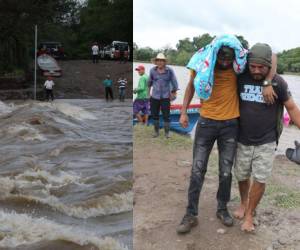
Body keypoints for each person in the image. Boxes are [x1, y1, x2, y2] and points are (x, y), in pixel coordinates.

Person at [177, 35, 277, 234]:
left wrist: (267, 82)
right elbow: (190, 86)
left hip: (230, 125)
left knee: (225, 172)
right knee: (197, 170)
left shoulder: (238, 66)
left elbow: (272, 56)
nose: (224, 62)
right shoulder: (203, 66)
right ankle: (190, 214)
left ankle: (222, 209)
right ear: (215, 55)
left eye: (227, 59)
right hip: (205, 122)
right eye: (221, 59)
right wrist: (183, 111)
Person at [233, 43, 300, 232]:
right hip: (242, 138)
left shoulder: (278, 82)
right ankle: (243, 203)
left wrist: (268, 82)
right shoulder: (240, 77)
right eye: (252, 66)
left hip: (266, 141)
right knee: (242, 175)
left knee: (260, 179)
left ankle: (250, 214)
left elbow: (292, 108)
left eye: (261, 67)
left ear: (268, 66)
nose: (255, 70)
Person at [148, 53, 178, 138]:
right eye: (158, 60)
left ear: (164, 62)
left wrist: (173, 92)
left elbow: (174, 83)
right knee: (155, 115)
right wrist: (148, 94)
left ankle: (167, 133)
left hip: (165, 97)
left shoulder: (169, 71)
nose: (160, 62)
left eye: (162, 61)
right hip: (154, 96)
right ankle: (156, 132)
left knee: (166, 116)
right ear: (156, 62)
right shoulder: (152, 71)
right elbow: (149, 83)